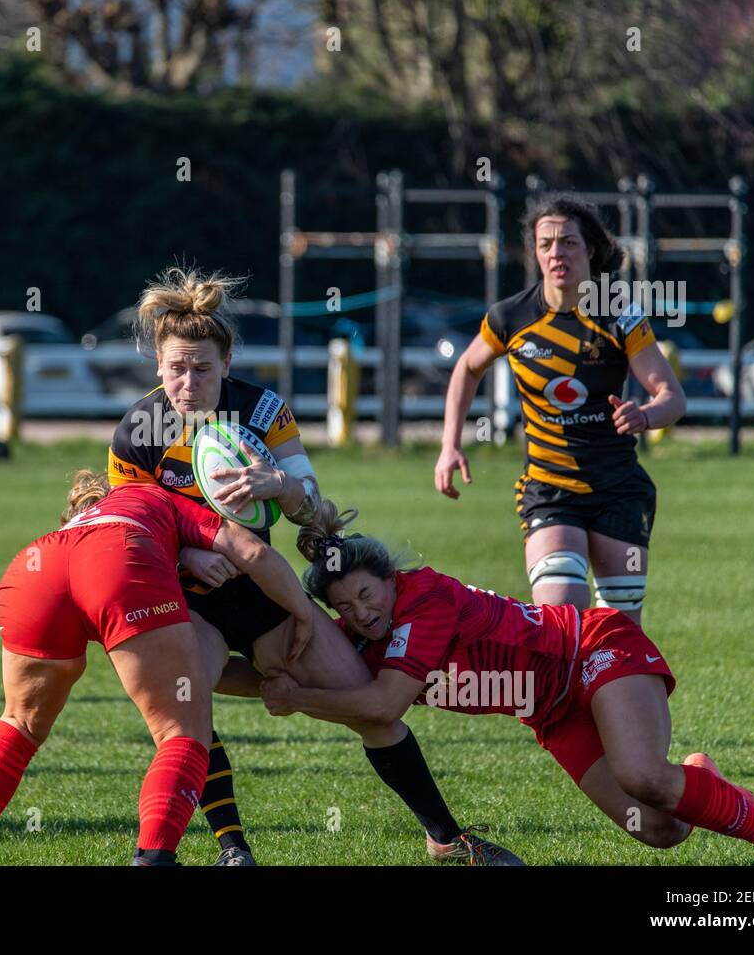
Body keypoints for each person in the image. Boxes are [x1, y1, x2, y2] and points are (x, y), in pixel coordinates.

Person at [109, 267, 512, 865]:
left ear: (227, 364)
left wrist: (280, 485)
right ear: (157, 368)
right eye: (176, 369)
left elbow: (316, 509)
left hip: (261, 587)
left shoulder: (263, 409)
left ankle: (447, 839)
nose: (188, 383)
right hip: (185, 598)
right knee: (186, 714)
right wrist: (188, 552)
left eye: (202, 369)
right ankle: (233, 848)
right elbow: (127, 535)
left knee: (369, 705)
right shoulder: (137, 432)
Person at [260, 501, 754, 866]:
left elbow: (384, 705)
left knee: (642, 775)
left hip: (592, 650)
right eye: (345, 607)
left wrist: (297, 699)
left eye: (367, 594)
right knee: (660, 829)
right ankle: (702, 779)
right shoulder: (364, 635)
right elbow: (293, 676)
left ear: (391, 578)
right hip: (552, 713)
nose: (362, 613)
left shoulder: (424, 597)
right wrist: (222, 678)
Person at [0, 472, 316, 866]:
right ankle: (153, 857)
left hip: (38, 567)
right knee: (180, 731)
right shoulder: (156, 495)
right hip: (116, 557)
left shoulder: (87, 518)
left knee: (19, 724)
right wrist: (304, 614)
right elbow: (252, 552)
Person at [435, 193, 686, 624]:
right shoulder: (510, 317)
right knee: (560, 613)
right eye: (545, 244)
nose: (556, 253)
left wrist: (644, 416)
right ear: (534, 253)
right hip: (550, 489)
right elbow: (467, 368)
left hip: (618, 489)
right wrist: (449, 445)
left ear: (590, 249)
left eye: (568, 242)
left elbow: (672, 397)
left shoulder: (620, 315)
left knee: (619, 630)